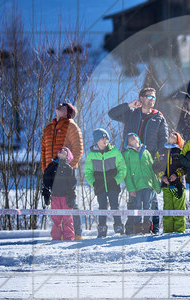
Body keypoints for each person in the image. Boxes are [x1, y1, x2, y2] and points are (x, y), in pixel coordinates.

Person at [109, 87, 169, 232]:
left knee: (151, 197)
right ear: (141, 98)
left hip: (149, 161)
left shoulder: (159, 117)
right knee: (133, 193)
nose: (152, 99)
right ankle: (132, 228)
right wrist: (129, 106)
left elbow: (164, 140)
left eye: (154, 97)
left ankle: (152, 229)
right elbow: (111, 114)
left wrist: (161, 159)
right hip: (131, 159)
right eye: (149, 96)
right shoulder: (131, 113)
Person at [40, 102, 84, 239]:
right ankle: (58, 234)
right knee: (56, 202)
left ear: (68, 112)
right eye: (59, 105)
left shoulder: (71, 126)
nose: (59, 106)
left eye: (63, 106)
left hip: (66, 171)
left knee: (70, 201)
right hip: (51, 170)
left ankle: (76, 233)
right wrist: (45, 169)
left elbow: (78, 149)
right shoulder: (48, 128)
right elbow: (43, 150)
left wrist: (70, 166)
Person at [82, 128, 127, 237]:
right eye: (102, 138)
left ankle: (119, 228)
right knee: (102, 207)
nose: (105, 140)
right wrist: (93, 183)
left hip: (113, 185)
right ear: (96, 140)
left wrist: (116, 180)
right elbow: (88, 172)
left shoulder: (114, 152)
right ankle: (102, 230)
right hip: (100, 186)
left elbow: (122, 168)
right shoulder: (91, 155)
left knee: (115, 206)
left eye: (106, 138)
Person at [122, 132, 159, 235]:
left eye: (135, 137)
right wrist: (131, 188)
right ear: (127, 142)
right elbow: (127, 174)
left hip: (148, 185)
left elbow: (152, 170)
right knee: (137, 206)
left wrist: (156, 185)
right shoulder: (127, 154)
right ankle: (137, 228)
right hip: (136, 186)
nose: (134, 139)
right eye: (131, 138)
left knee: (148, 206)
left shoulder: (146, 152)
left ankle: (147, 228)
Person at [41, 147, 77, 241]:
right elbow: (46, 180)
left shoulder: (69, 169)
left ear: (67, 155)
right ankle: (56, 237)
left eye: (64, 152)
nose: (61, 154)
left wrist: (72, 196)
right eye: (60, 152)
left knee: (67, 218)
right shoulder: (51, 167)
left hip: (66, 197)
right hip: (55, 197)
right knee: (56, 219)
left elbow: (72, 184)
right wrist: (46, 192)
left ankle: (69, 238)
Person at [155, 132, 187, 234]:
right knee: (167, 208)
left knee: (179, 209)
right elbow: (155, 166)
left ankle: (179, 231)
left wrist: (176, 175)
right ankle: (167, 231)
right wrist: (162, 176)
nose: (171, 137)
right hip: (166, 185)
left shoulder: (181, 151)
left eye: (174, 136)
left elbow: (185, 167)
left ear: (178, 139)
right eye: (170, 135)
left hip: (178, 185)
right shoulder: (161, 151)